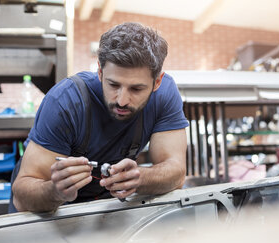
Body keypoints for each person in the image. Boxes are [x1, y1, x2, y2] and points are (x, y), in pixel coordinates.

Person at [10, 22, 189, 213]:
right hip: (50, 213)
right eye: (113, 85)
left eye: (136, 89)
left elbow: (176, 172)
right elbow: (22, 198)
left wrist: (141, 178)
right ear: (100, 72)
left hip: (103, 206)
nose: (121, 100)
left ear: (157, 82)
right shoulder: (65, 101)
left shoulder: (165, 94)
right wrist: (55, 191)